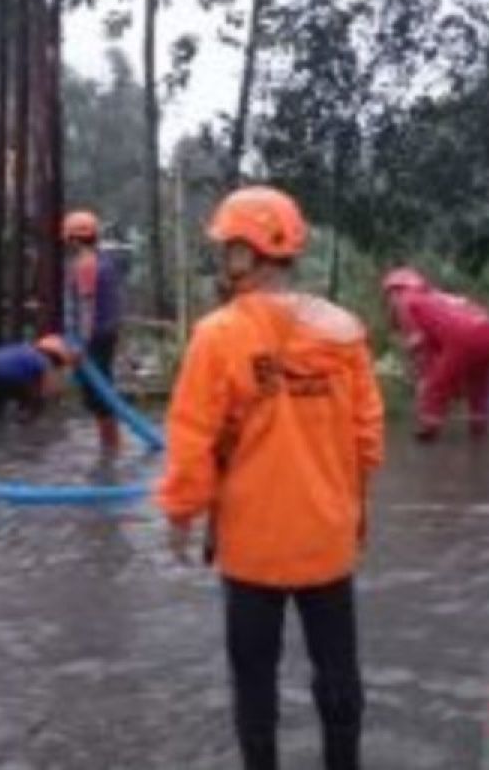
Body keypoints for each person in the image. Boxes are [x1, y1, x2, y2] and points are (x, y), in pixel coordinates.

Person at [156, 186, 385, 770]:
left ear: (246, 253)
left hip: (252, 545)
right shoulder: (345, 331)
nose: (223, 260)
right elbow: (368, 439)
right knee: (338, 672)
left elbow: (192, 438)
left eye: (228, 248)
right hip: (328, 538)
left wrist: (181, 514)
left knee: (254, 678)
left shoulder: (219, 335)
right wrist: (354, 512)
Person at [381, 267, 489, 440]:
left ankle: (429, 427)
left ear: (395, 290)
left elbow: (418, 344)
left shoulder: (405, 301)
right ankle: (479, 423)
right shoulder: (436, 296)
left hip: (462, 335)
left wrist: (423, 375)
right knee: (480, 381)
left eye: (388, 295)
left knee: (435, 384)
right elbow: (436, 340)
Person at [63, 209, 124, 451]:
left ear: (73, 239)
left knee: (99, 396)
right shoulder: (101, 260)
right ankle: (110, 446)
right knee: (99, 393)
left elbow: (87, 307)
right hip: (105, 334)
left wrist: (82, 346)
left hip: (94, 338)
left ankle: (110, 448)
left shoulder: (86, 264)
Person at [0, 334, 78, 419]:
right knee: (33, 398)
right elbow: (43, 389)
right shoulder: (42, 360)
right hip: (4, 375)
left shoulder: (23, 349)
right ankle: (24, 419)